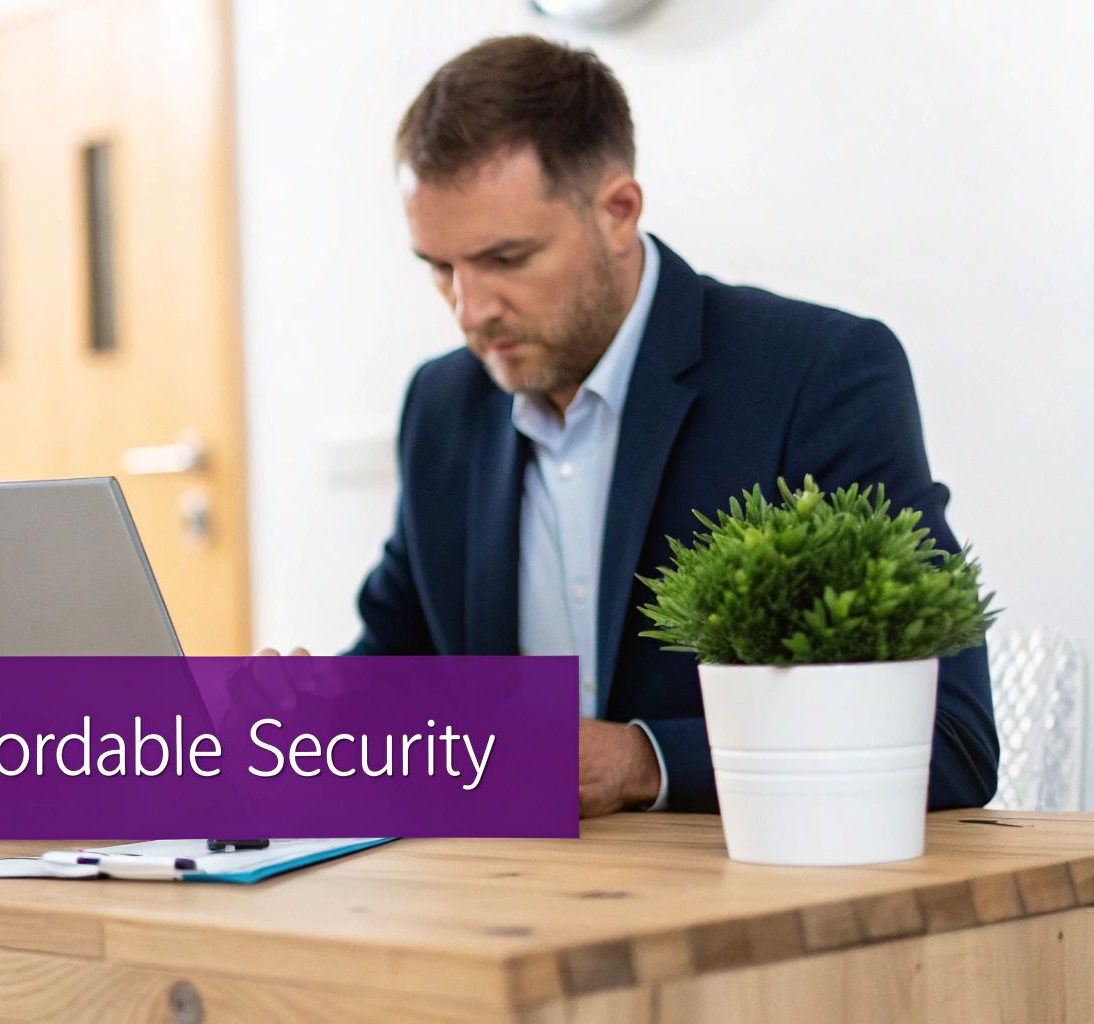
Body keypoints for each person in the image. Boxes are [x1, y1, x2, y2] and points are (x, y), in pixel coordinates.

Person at [265, 35, 998, 817]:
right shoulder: (444, 407)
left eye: (507, 259)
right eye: (440, 268)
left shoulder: (819, 375)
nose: (469, 311)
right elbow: (400, 661)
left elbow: (949, 742)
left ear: (617, 212)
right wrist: (313, 717)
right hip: (498, 904)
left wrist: (642, 760)